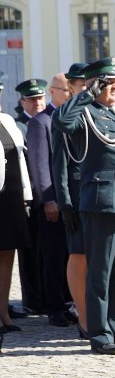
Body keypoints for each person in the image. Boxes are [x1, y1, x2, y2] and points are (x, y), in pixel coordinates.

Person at [52, 57, 115, 354]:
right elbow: (61, 121)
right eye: (108, 84)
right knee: (101, 272)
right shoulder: (85, 113)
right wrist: (86, 94)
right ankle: (99, 333)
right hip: (102, 201)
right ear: (96, 85)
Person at [26, 73, 73, 327]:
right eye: (66, 91)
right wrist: (48, 200)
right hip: (53, 200)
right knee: (54, 256)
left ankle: (71, 303)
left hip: (73, 200)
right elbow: (40, 165)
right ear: (53, 92)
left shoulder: (72, 118)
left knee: (72, 254)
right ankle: (55, 307)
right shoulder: (41, 122)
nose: (70, 95)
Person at [52, 62, 89, 338]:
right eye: (81, 84)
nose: (87, 88)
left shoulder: (101, 112)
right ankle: (84, 316)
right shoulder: (66, 114)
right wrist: (64, 202)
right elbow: (60, 163)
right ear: (71, 87)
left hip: (98, 194)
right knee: (79, 255)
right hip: (77, 195)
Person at [13, 79, 47, 316]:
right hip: (27, 196)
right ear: (23, 101)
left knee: (47, 251)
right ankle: (32, 299)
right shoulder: (18, 126)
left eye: (39, 98)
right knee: (30, 251)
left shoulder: (47, 122)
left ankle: (45, 296)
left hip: (44, 194)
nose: (37, 102)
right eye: (32, 99)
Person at [0, 109, 32, 334]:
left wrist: (25, 193)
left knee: (7, 254)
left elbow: (20, 158)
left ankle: (3, 312)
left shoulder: (7, 120)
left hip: (10, 195)